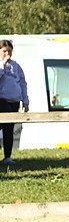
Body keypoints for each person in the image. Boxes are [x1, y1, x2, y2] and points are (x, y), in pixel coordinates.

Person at [0, 39, 30, 168]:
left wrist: (25, 100)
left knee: (9, 129)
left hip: (14, 101)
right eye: (4, 51)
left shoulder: (16, 66)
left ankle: (7, 156)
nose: (7, 53)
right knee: (3, 126)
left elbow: (22, 83)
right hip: (2, 100)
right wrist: (3, 64)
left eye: (9, 51)